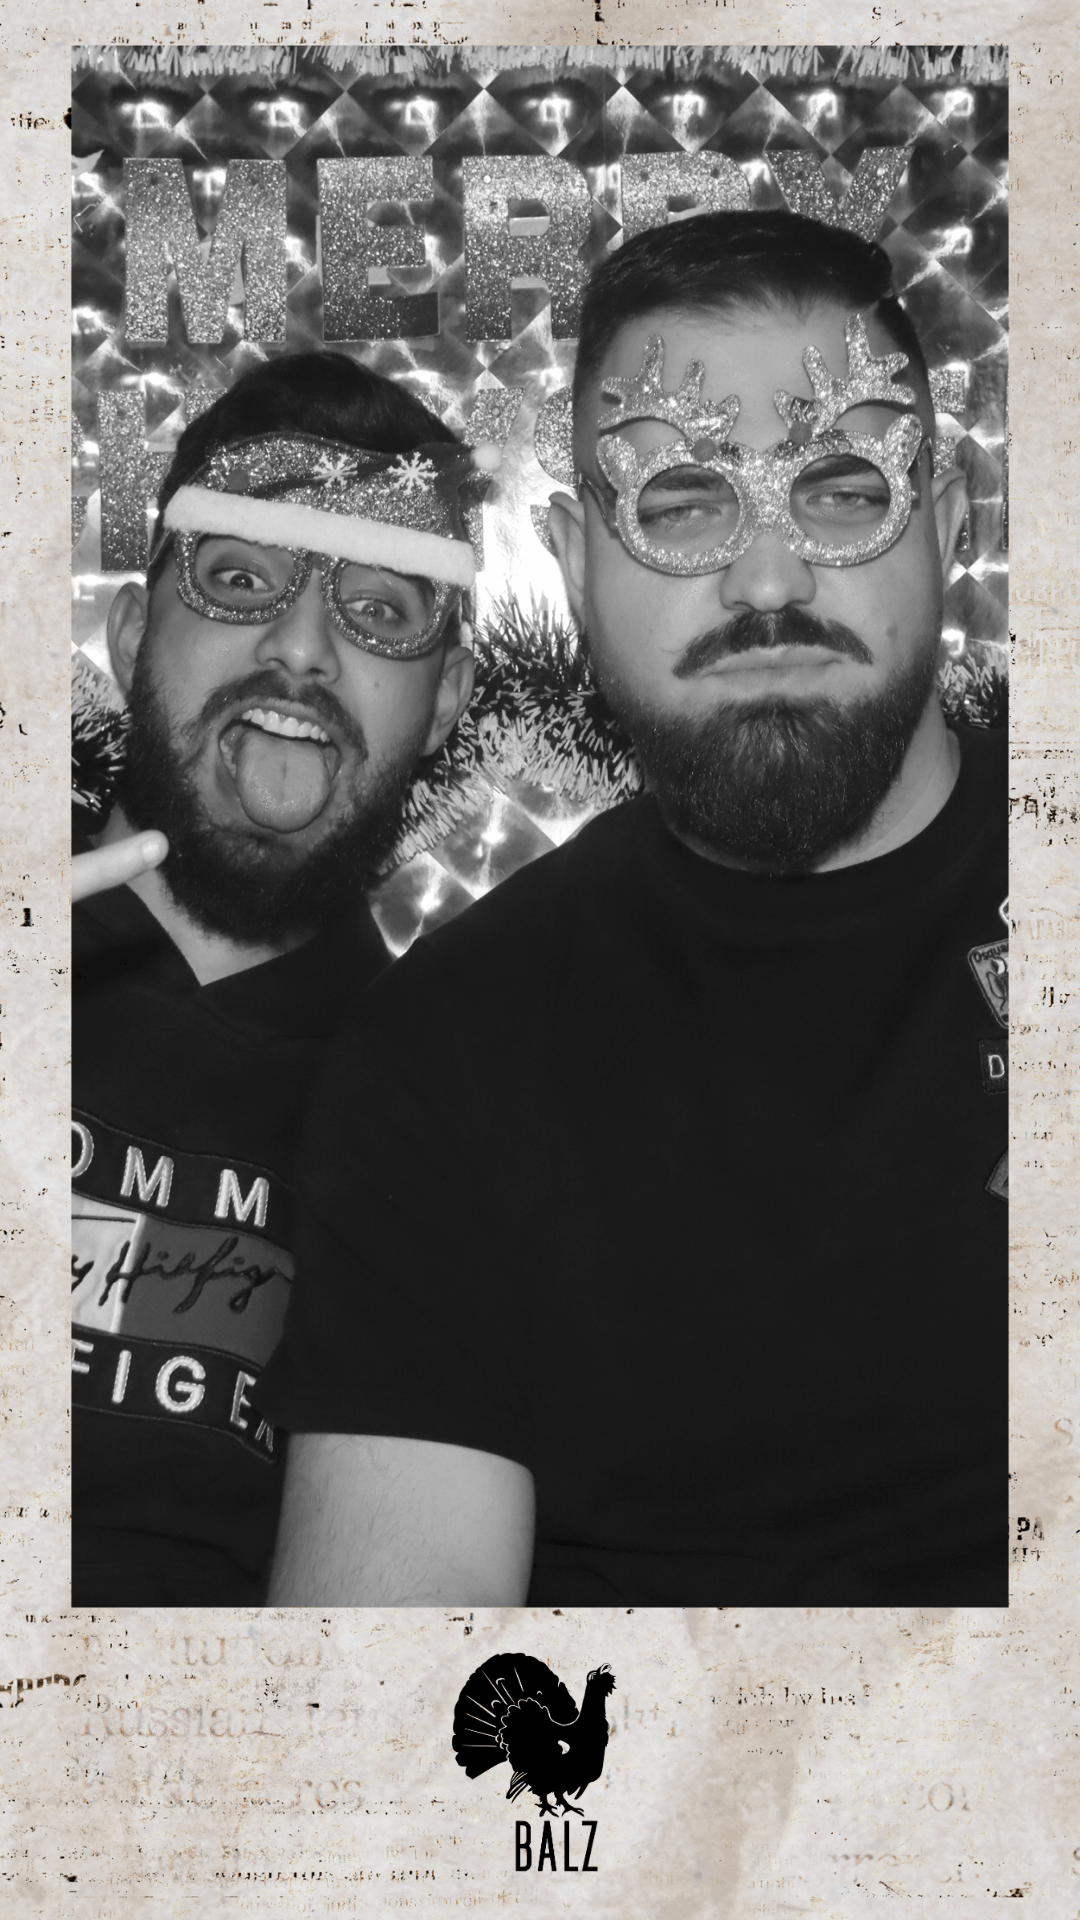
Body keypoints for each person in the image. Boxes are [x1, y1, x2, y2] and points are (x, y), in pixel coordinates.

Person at [261, 212, 1008, 1606]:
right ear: (577, 559)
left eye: (843, 487)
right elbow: (388, 1687)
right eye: (680, 504)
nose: (769, 580)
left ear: (952, 523)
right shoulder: (446, 1058)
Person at [71, 350, 483, 1604]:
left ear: (447, 700)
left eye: (382, 611)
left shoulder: (456, 1118)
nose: (301, 650)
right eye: (240, 579)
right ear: (132, 633)